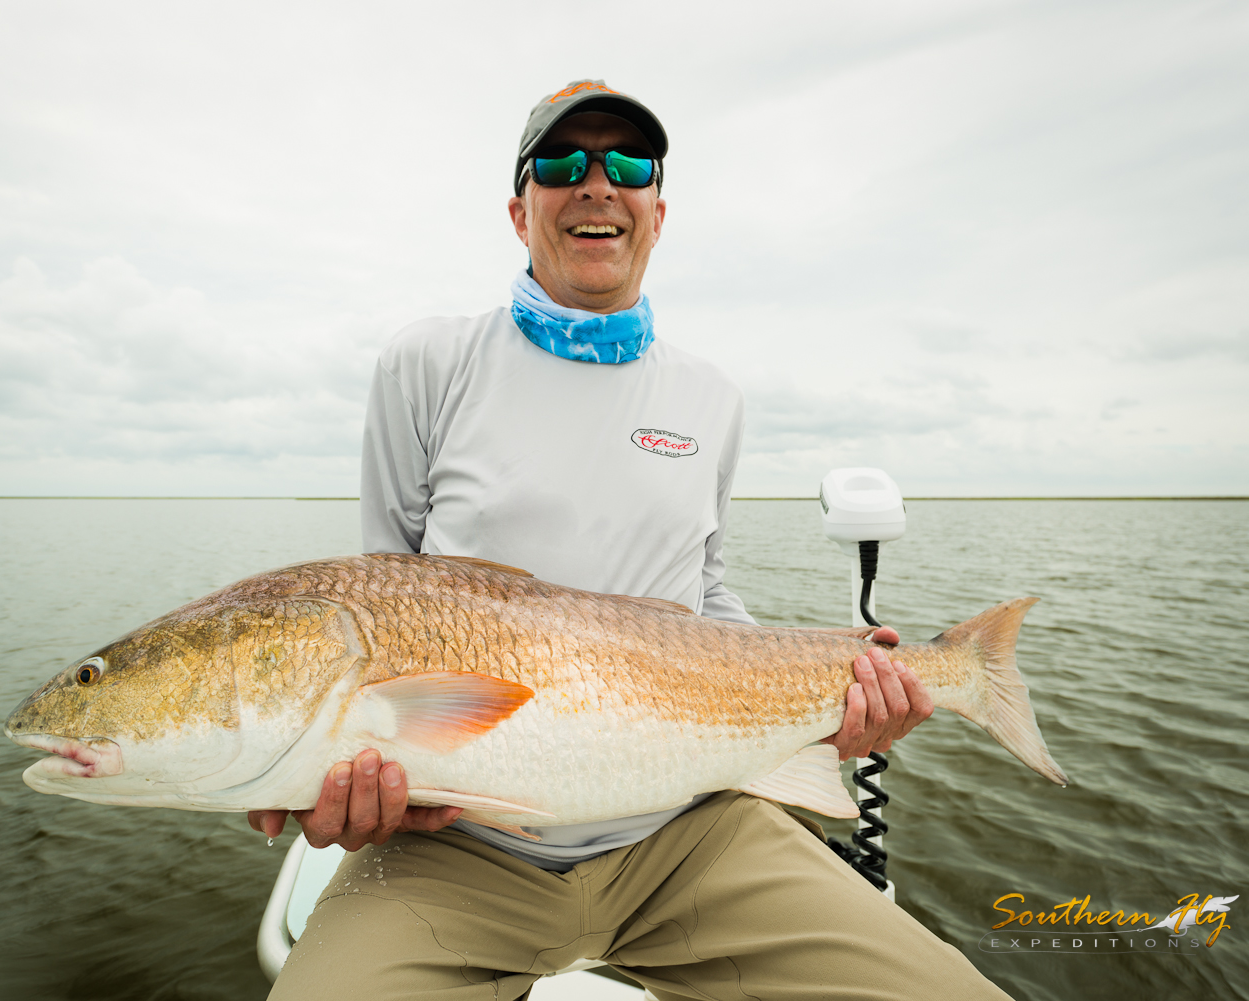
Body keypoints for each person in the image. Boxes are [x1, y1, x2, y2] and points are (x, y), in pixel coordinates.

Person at [251, 80, 1011, 1000]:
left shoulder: (711, 397)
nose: (596, 184)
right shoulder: (427, 363)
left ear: (659, 208)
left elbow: (707, 591)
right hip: (462, 846)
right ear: (518, 206)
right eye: (563, 163)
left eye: (629, 164)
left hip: (690, 831)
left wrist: (845, 686)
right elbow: (387, 596)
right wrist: (350, 767)